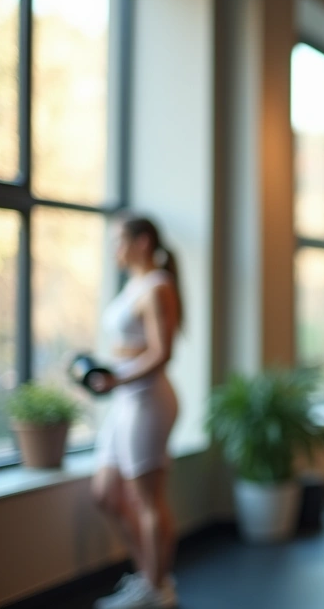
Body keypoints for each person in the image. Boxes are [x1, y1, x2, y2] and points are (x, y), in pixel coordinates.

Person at [90, 215, 184, 609]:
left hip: (147, 401)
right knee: (106, 494)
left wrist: (118, 379)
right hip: (125, 399)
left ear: (142, 242)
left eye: (119, 241)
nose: (115, 249)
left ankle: (156, 589)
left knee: (147, 499)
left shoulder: (157, 287)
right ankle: (149, 575)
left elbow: (162, 353)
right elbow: (132, 345)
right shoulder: (134, 285)